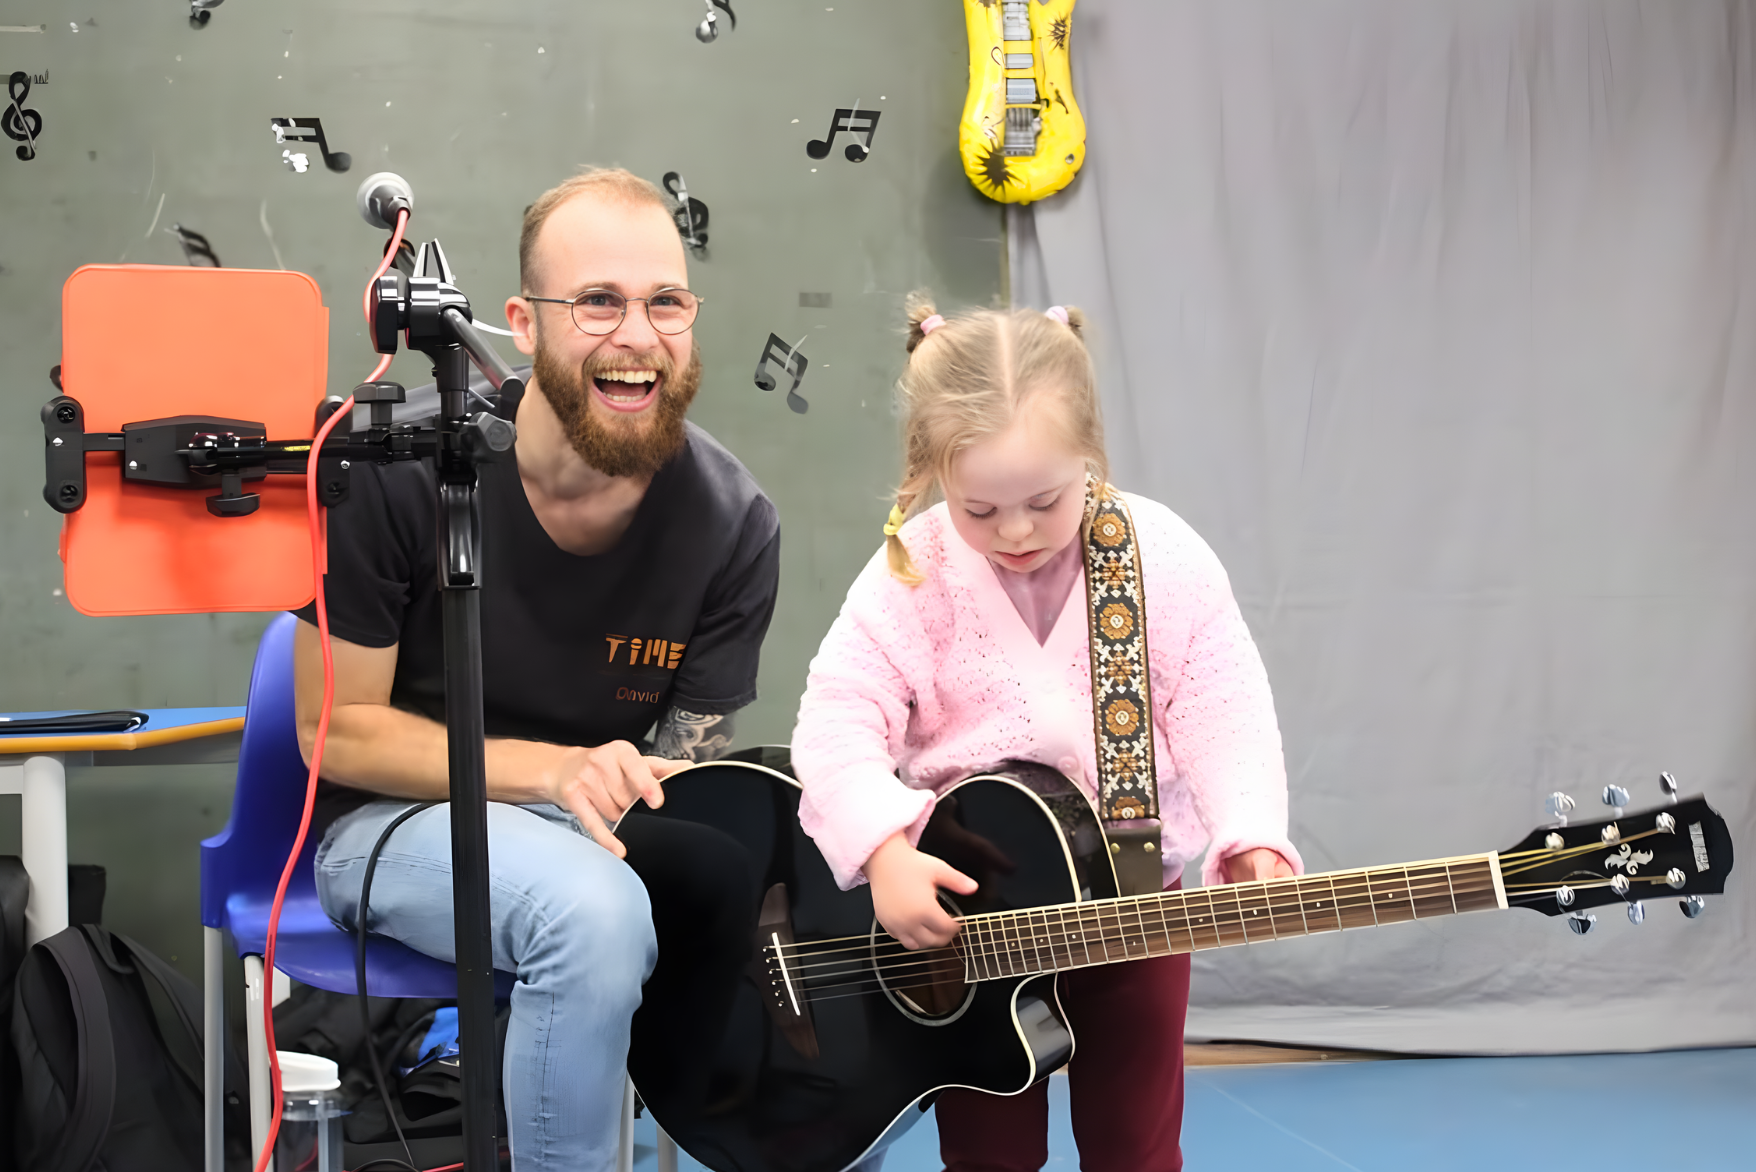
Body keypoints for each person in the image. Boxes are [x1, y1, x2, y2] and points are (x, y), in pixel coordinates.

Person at [292, 168, 780, 1170]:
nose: (638, 334)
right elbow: (329, 730)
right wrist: (552, 768)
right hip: (381, 823)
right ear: (519, 321)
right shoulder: (396, 466)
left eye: (666, 301)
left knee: (757, 872)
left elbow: (682, 775)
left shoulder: (732, 521)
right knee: (590, 914)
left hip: (579, 826)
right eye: (597, 301)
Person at [791, 299, 1302, 1171]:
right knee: (988, 1156)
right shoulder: (913, 573)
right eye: (979, 509)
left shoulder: (1160, 560)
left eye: (1045, 500)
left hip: (1137, 906)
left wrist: (1251, 837)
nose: (1016, 532)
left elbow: (1225, 706)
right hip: (972, 924)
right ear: (931, 475)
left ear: (1091, 458)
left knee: (1134, 1146)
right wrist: (883, 852)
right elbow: (836, 716)